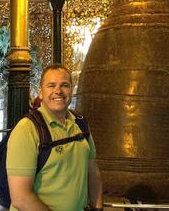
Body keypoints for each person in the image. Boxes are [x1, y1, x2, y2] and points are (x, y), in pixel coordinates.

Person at [6, 64, 103, 211]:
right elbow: (20, 197)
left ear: (71, 90)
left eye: (64, 85)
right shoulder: (27, 130)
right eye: (51, 86)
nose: (58, 91)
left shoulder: (80, 124)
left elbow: (93, 172)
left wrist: (98, 208)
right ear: (41, 92)